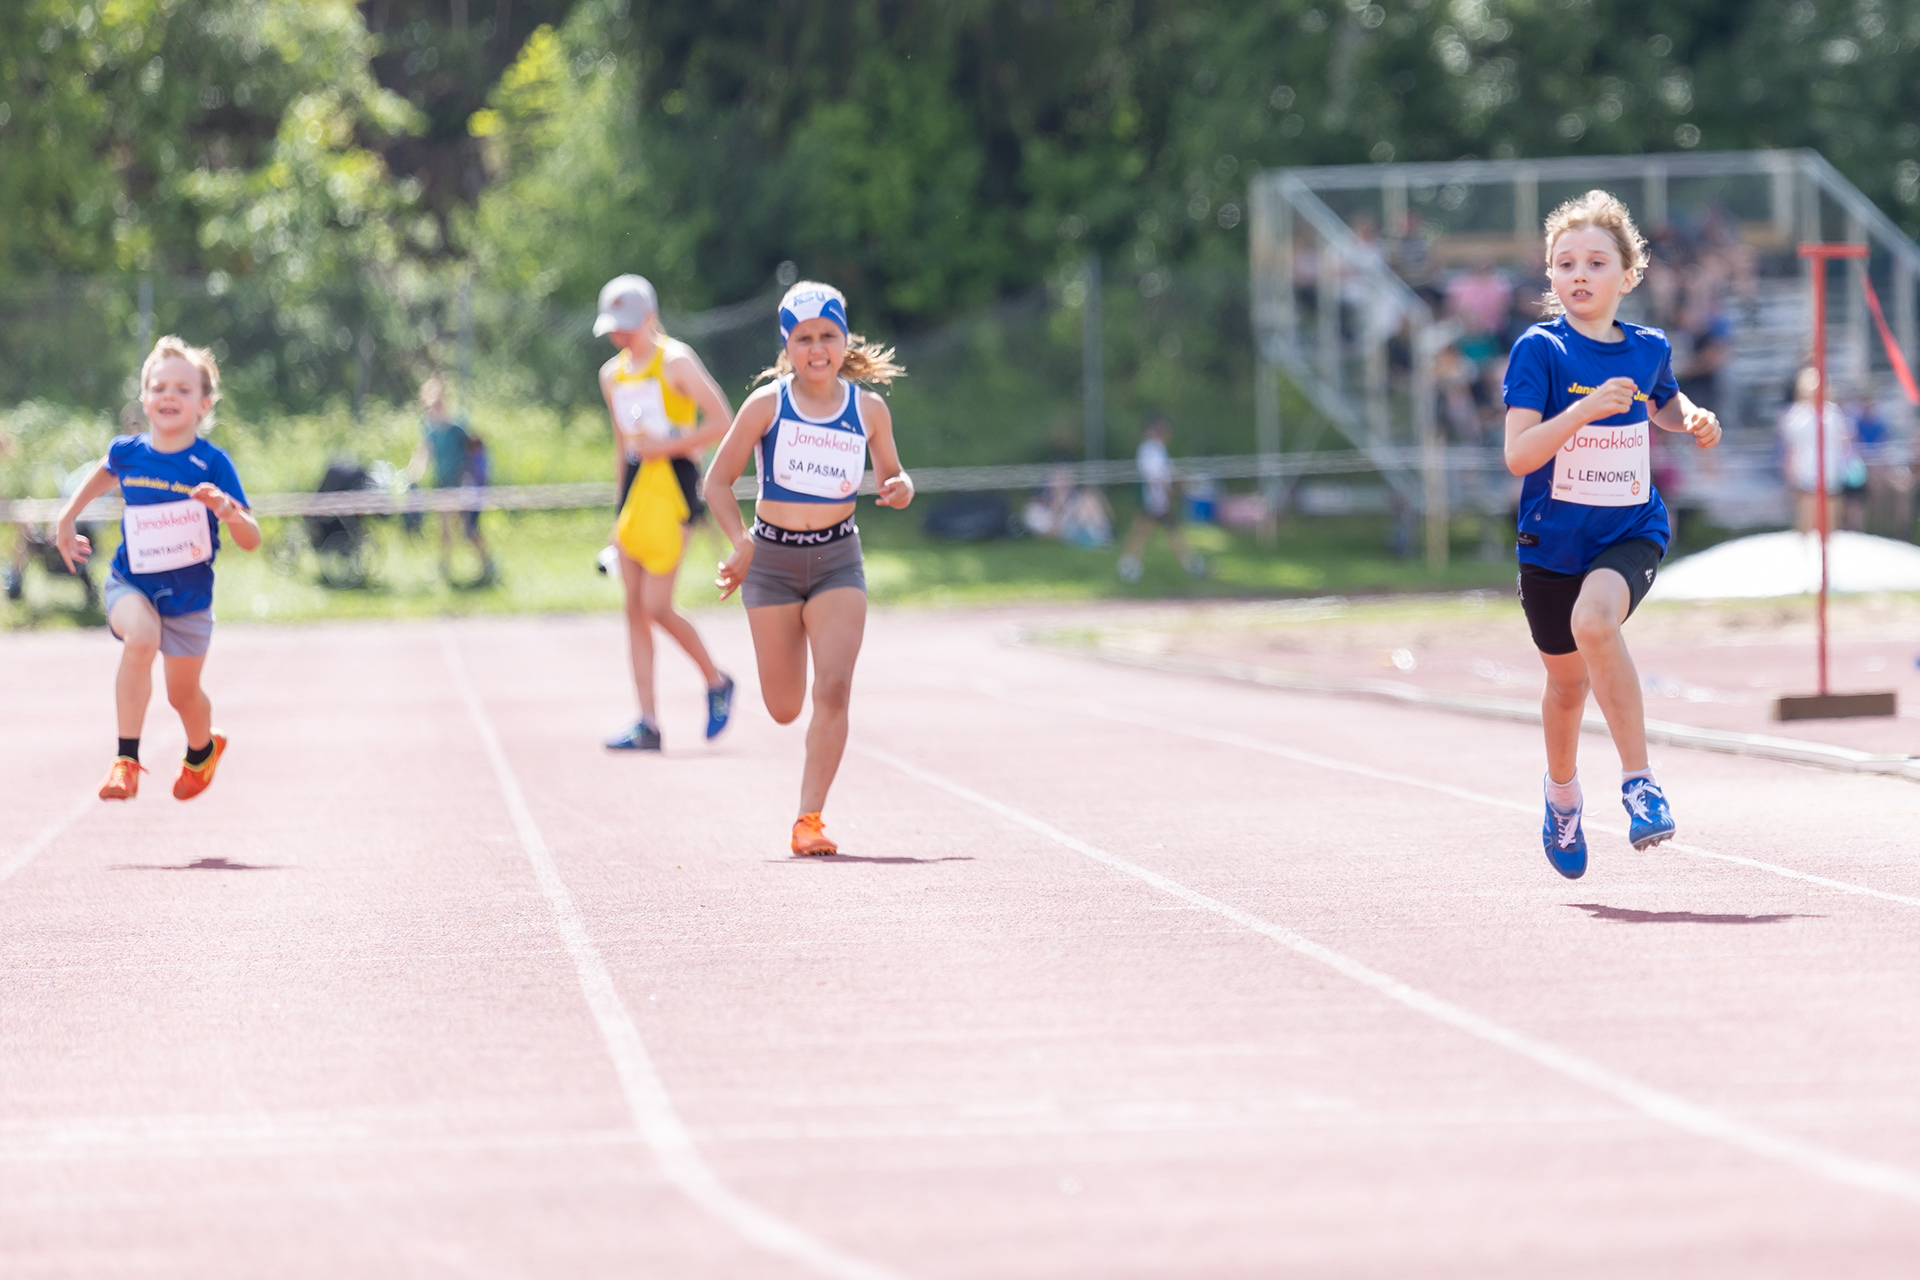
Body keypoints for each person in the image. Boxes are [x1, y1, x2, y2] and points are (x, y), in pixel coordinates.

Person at [1501, 190, 1722, 879]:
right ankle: (1562, 796)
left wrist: (1693, 417)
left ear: (1628, 275)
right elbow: (1519, 455)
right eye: (1566, 263)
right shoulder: (1540, 350)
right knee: (1567, 688)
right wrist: (1585, 411)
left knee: (1595, 623)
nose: (1580, 274)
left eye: (1596, 262)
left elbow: (1664, 403)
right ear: (1550, 274)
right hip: (1551, 544)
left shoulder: (1649, 347)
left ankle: (1639, 784)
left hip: (1630, 527)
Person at [704, 281, 913, 855]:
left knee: (835, 690)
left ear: (845, 340)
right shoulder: (766, 405)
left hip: (836, 560)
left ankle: (809, 820)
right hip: (771, 563)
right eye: (803, 339)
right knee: (784, 707)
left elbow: (893, 474)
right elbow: (716, 482)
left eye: (827, 336)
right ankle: (805, 804)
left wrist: (900, 487)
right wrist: (740, 541)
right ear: (787, 347)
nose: (817, 348)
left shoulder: (868, 410)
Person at [53, 336, 260, 802]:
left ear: (204, 404)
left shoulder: (212, 463)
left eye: (183, 389)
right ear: (145, 398)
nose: (169, 395)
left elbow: (251, 538)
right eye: (159, 387)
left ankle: (203, 750)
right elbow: (105, 472)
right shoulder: (128, 453)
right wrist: (67, 518)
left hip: (188, 599)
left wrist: (226, 509)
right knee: (142, 638)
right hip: (131, 583)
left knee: (182, 695)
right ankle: (125, 761)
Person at [589, 274, 738, 752]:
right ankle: (647, 722)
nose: (619, 334)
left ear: (650, 318)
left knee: (656, 605)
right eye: (614, 326)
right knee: (634, 610)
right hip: (636, 494)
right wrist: (617, 514)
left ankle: (716, 680)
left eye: (627, 324)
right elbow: (622, 446)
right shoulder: (611, 375)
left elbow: (723, 423)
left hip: (674, 487)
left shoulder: (676, 360)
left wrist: (667, 444)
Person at [408, 375, 494, 579]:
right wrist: (413, 472)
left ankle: (487, 564)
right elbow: (425, 450)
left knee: (469, 531)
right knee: (445, 527)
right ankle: (444, 568)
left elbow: (472, 453)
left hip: (463, 483)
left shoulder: (457, 425)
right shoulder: (428, 426)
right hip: (444, 483)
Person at [1117, 417, 1203, 581]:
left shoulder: (1154, 449)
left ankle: (1129, 565)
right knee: (1151, 531)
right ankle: (1191, 564)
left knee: (1155, 531)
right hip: (1155, 499)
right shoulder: (1151, 449)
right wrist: (1170, 492)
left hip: (1156, 499)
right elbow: (1157, 476)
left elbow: (1165, 472)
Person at [1777, 366, 1855, 535]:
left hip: (1830, 476)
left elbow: (1844, 441)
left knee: (1830, 525)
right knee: (1806, 523)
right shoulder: (1797, 416)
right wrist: (1790, 475)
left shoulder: (1833, 413)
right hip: (1806, 476)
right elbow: (1790, 449)